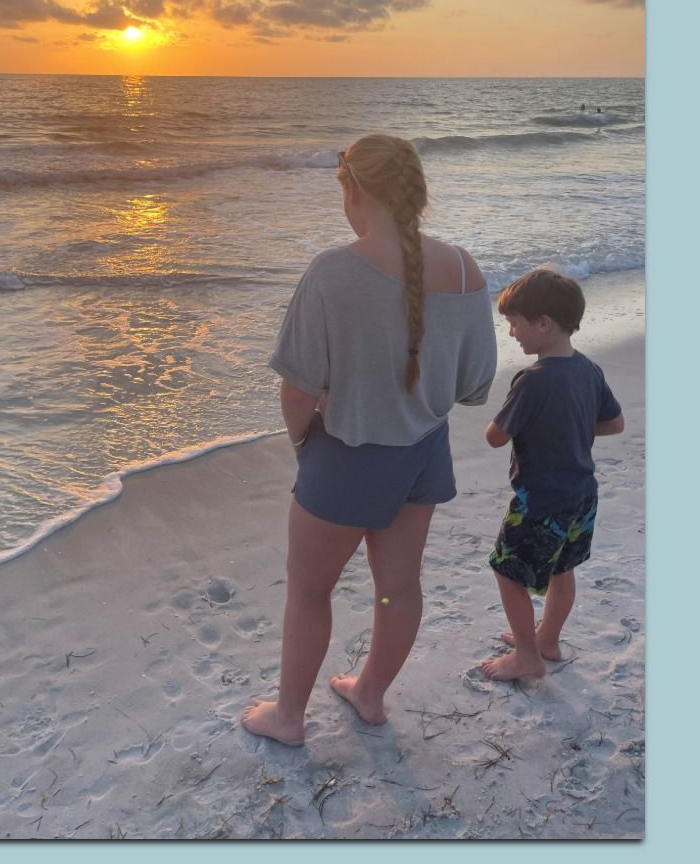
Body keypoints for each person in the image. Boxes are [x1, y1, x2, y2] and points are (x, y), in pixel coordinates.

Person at [240, 134, 498, 745]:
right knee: (400, 587)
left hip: (346, 456)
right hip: (422, 454)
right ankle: (371, 694)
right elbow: (475, 381)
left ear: (352, 188)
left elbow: (299, 390)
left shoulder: (334, 270)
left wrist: (304, 445)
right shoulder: (464, 267)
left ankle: (289, 717)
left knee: (309, 592)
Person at [479, 267, 625, 681]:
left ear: (543, 323)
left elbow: (495, 437)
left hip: (540, 500)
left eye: (515, 324)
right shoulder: (588, 369)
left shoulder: (532, 380)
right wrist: (571, 425)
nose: (511, 334)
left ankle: (527, 655)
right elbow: (614, 424)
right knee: (563, 569)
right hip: (582, 495)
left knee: (507, 572)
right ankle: (548, 639)